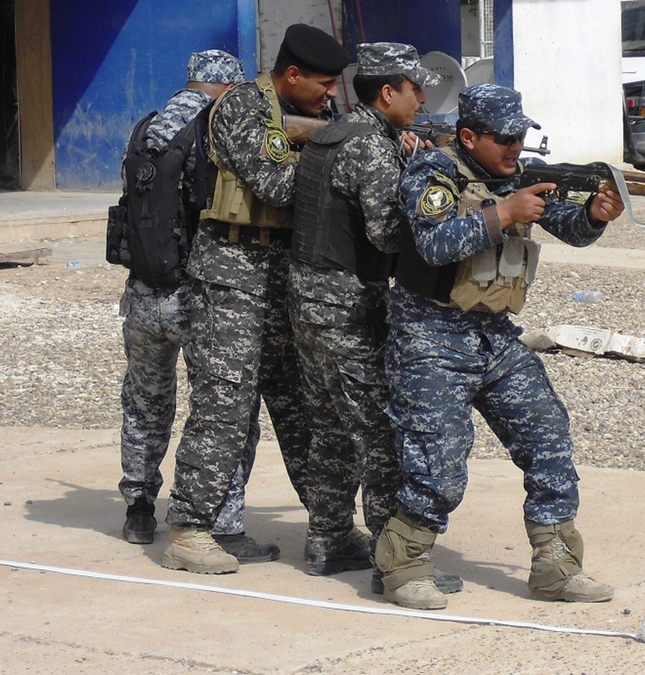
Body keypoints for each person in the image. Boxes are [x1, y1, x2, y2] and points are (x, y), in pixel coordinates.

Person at [374, 83, 626, 610]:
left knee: (547, 434)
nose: (516, 147)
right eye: (505, 137)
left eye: (521, 135)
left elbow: (568, 226)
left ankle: (556, 565)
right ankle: (405, 563)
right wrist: (505, 213)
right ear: (469, 136)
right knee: (439, 457)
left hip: (493, 335)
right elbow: (434, 243)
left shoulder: (516, 177)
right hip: (430, 335)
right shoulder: (431, 174)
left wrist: (595, 216)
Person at [162, 25, 353, 575]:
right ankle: (190, 528)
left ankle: (331, 529)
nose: (328, 96)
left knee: (304, 407)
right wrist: (346, 164)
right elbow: (279, 187)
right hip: (231, 271)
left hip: (287, 272)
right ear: (291, 75)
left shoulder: (321, 113)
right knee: (225, 402)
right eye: (320, 84)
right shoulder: (243, 108)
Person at [287, 42, 459, 595]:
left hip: (309, 298)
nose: (424, 98)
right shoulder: (371, 147)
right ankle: (396, 563)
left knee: (329, 429)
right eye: (415, 89)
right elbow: (388, 234)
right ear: (388, 93)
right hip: (346, 304)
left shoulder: (333, 132)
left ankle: (329, 540)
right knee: (379, 434)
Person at [118, 49, 246, 547]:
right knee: (220, 409)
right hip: (195, 297)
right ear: (225, 89)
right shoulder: (213, 130)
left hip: (140, 294)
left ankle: (139, 508)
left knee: (144, 401)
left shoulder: (145, 128)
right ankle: (220, 520)